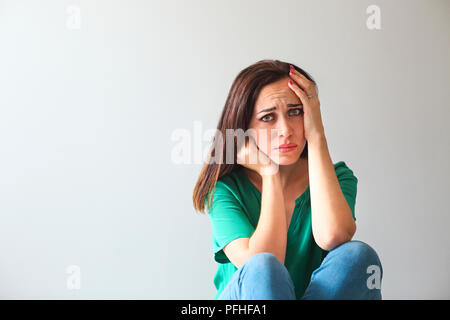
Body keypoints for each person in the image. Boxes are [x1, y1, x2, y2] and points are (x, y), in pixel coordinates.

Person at [192, 59, 383, 299]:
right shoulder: (224, 191)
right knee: (262, 266)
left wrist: (317, 135)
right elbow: (264, 270)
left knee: (358, 256)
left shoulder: (338, 177)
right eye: (268, 117)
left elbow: (333, 235)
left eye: (296, 112)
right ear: (244, 127)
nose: (286, 129)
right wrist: (268, 172)